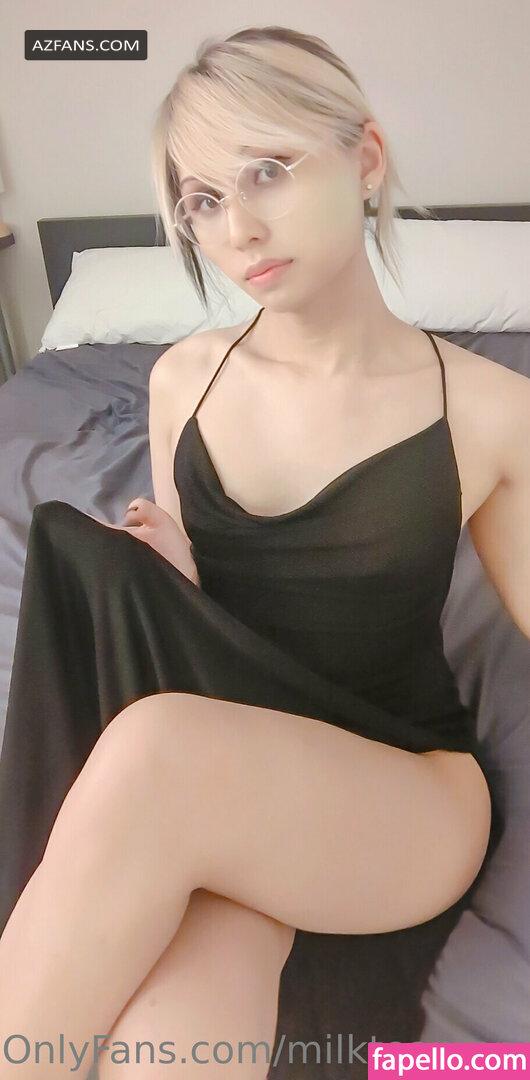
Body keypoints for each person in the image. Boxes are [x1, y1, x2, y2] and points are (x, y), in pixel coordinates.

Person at [0, 24, 527, 1080]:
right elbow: (211, 621)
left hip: (403, 792)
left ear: (364, 159)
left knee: (154, 749)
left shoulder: (489, 410)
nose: (236, 228)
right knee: (158, 1043)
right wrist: (172, 570)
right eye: (201, 199)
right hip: (229, 777)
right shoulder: (181, 381)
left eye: (268, 171)